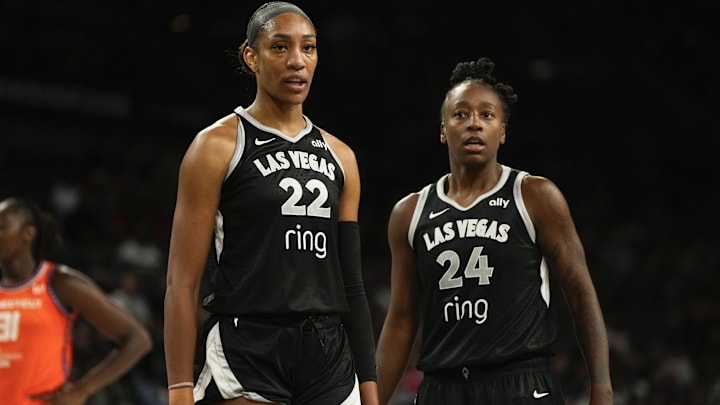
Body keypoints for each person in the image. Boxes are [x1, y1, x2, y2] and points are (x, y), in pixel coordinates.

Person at [163, 2, 378, 405]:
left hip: (328, 353)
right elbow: (182, 282)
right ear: (251, 56)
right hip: (248, 345)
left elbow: (352, 283)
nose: (297, 60)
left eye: (308, 48)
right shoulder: (215, 145)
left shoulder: (341, 157)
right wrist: (178, 388)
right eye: (280, 47)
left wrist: (369, 386)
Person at [375, 57, 613, 404]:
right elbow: (400, 322)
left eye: (487, 115)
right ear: (443, 129)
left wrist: (602, 387)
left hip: (520, 383)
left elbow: (580, 295)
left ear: (502, 131)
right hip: (442, 388)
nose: (474, 124)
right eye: (461, 114)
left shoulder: (535, 196)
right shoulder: (409, 213)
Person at [0, 196, 153, 405]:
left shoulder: (59, 282)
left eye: (2, 227)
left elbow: (137, 339)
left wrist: (83, 390)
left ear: (28, 233)